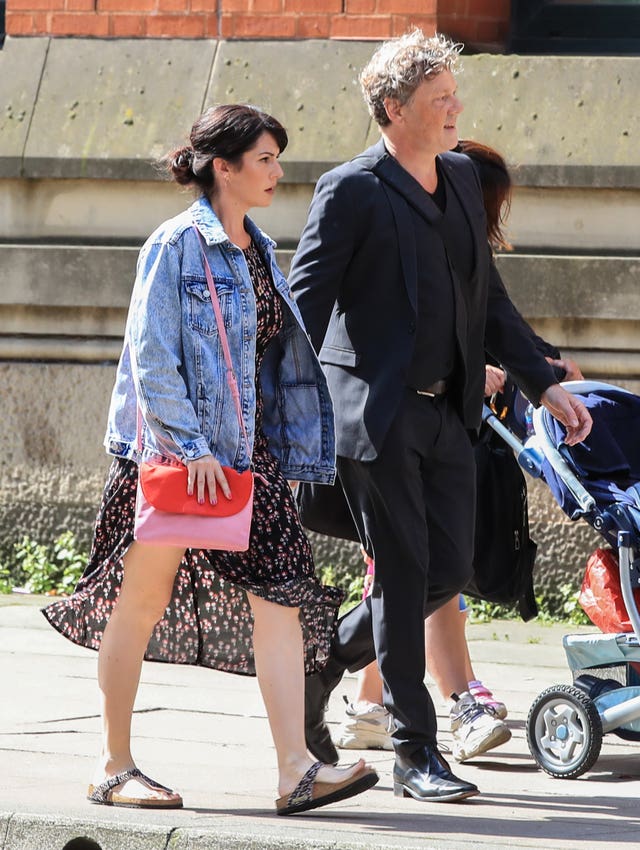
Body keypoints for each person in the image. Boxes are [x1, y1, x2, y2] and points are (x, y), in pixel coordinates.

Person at [42, 104, 378, 816]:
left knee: (281, 596)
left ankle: (296, 770)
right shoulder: (175, 245)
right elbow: (151, 357)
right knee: (138, 603)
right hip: (173, 457)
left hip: (246, 456)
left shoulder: (257, 247)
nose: (277, 173)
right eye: (264, 160)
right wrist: (190, 446)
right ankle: (113, 764)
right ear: (222, 167)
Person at [288, 30, 592, 804]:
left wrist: (541, 383)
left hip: (448, 412)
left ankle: (320, 659)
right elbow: (304, 308)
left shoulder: (457, 178)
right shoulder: (350, 190)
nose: (457, 110)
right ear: (392, 110)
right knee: (405, 573)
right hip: (375, 417)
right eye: (439, 100)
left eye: (456, 96)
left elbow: (487, 299)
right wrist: (279, 413)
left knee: (448, 570)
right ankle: (414, 753)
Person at [334, 139, 584, 763]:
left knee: (421, 575)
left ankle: (367, 701)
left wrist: (540, 373)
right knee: (418, 577)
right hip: (391, 419)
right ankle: (452, 706)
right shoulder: (366, 195)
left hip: (439, 421)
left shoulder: (453, 204)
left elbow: (485, 311)